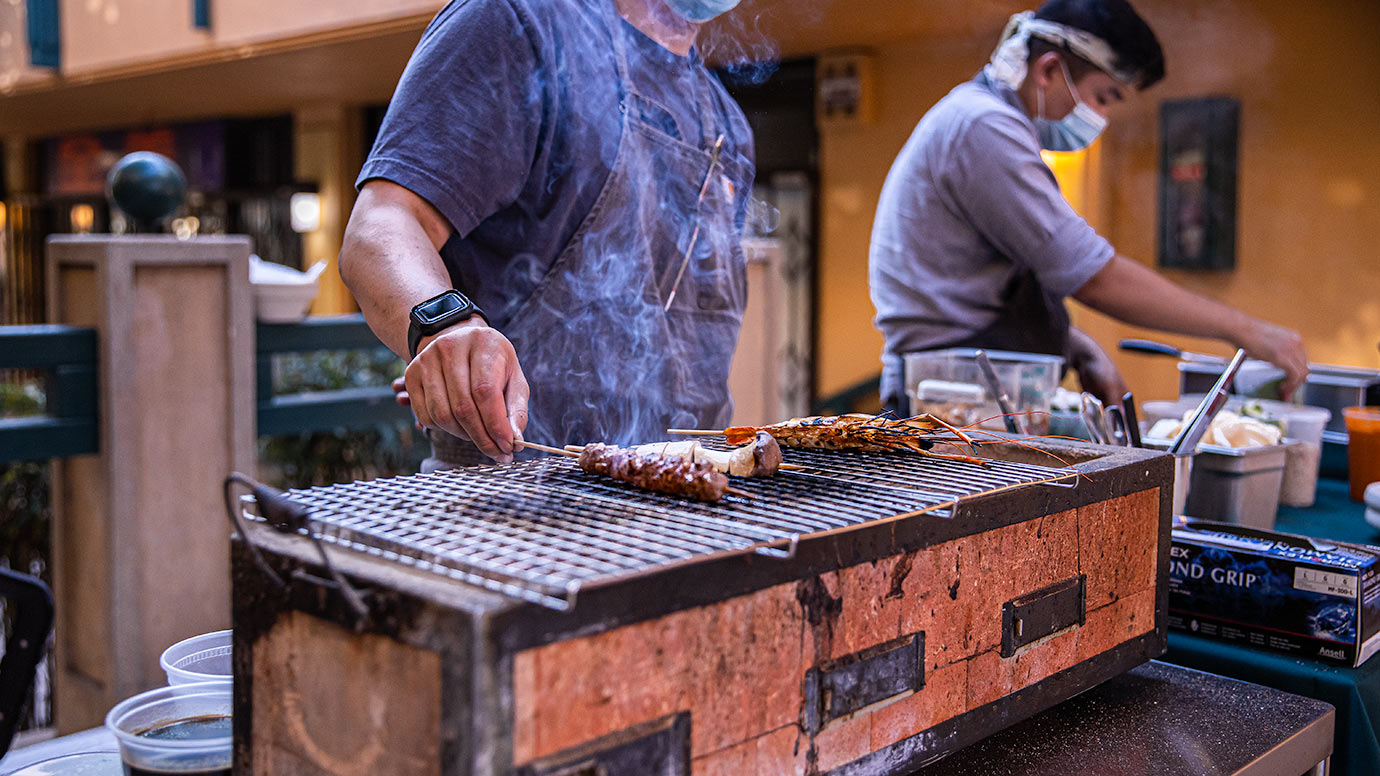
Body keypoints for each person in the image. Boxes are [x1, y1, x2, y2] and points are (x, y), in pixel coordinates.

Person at [339, 0, 755, 468]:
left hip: (693, 505)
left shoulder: (727, 125)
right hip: (513, 502)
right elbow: (381, 225)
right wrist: (444, 330)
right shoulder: (515, 23)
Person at [868, 0, 1307, 416]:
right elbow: (1095, 278)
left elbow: (971, 286)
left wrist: (1075, 344)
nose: (1102, 116)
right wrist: (1249, 332)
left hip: (971, 385)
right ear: (1049, 70)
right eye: (1104, 97)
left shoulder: (983, 122)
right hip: (949, 400)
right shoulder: (984, 127)